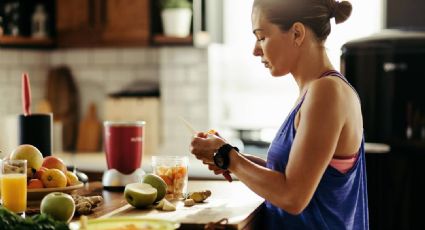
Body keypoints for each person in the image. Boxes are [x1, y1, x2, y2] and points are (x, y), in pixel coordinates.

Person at [190, 0, 368, 229]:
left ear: (296, 33)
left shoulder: (327, 92)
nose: (255, 50)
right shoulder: (315, 91)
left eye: (262, 37)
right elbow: (293, 175)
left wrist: (227, 157)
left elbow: (293, 197)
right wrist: (231, 156)